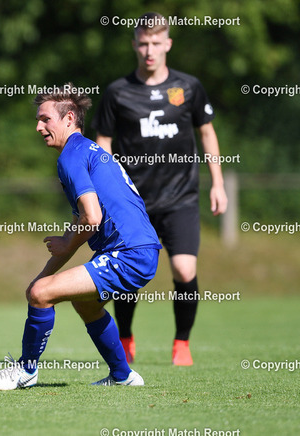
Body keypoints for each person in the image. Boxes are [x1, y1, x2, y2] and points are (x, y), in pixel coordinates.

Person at [0, 84, 161, 390]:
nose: (38, 127)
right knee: (83, 304)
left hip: (129, 253)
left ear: (69, 118)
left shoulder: (71, 156)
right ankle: (123, 376)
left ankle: (25, 372)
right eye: (38, 120)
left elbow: (92, 218)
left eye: (45, 119)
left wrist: (42, 285)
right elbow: (80, 223)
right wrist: (41, 279)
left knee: (43, 293)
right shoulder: (87, 151)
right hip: (138, 250)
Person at [92, 12, 228, 366]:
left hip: (181, 198)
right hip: (133, 202)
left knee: (184, 270)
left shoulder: (189, 87)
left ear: (168, 43)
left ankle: (181, 343)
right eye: (143, 43)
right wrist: (107, 192)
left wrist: (218, 183)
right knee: (129, 274)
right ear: (134, 45)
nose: (149, 50)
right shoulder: (117, 92)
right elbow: (103, 142)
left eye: (155, 43)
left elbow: (207, 132)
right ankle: (125, 337)